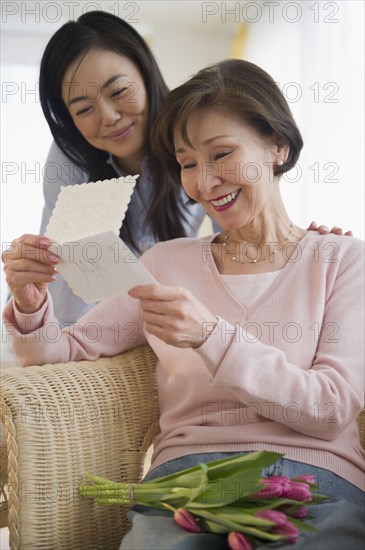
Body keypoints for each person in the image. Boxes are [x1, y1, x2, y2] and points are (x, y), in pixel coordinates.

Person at [2, 59, 363, 550]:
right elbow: (59, 356)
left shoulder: (342, 260)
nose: (204, 181)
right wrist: (30, 304)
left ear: (277, 145)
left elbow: (330, 408)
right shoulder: (167, 263)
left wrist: (211, 337)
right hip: (186, 481)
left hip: (315, 481)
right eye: (188, 163)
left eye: (221, 154)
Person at [37, 10, 348, 328]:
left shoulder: (188, 130)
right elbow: (72, 298)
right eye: (84, 109)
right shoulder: (70, 160)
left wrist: (300, 250)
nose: (109, 117)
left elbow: (238, 232)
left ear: (145, 73)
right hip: (104, 321)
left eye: (118, 92)